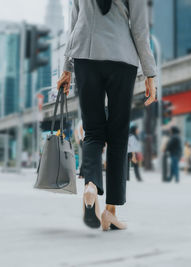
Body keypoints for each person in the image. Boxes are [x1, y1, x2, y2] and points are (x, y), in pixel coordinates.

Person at [57, 0, 157, 230]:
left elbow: (73, 23)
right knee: (118, 135)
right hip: (122, 58)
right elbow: (140, 29)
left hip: (86, 55)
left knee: (92, 130)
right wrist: (150, 73)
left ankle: (91, 183)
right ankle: (110, 211)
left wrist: (66, 68)